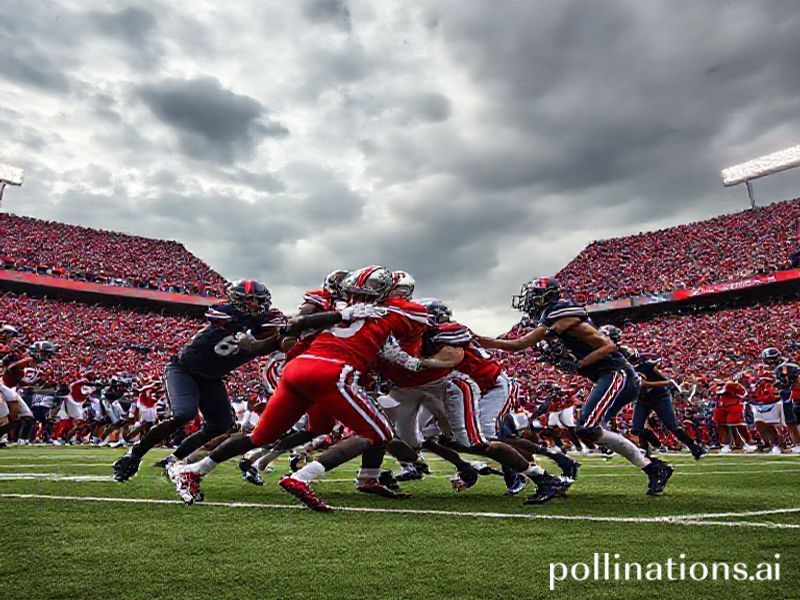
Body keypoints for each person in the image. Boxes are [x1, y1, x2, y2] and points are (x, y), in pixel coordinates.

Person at [478, 277, 674, 496]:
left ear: (547, 296)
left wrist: (580, 364)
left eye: (534, 294)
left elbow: (609, 346)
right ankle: (653, 467)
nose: (530, 300)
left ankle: (654, 466)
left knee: (587, 428)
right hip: (608, 376)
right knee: (589, 431)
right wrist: (481, 340)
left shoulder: (568, 318)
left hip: (617, 374)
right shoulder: (555, 322)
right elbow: (517, 345)